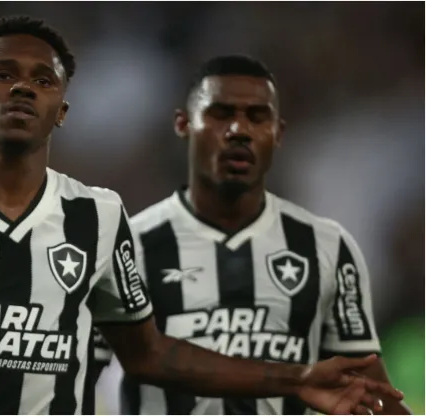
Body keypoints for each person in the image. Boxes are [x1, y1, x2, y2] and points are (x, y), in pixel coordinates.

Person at [0, 17, 402, 415]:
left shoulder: (97, 217)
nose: (22, 87)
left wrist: (294, 380)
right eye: (4, 75)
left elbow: (150, 355)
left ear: (62, 110)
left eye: (42, 79)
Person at [90, 55, 411, 415]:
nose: (238, 131)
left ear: (278, 133)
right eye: (220, 114)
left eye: (257, 117)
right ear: (184, 125)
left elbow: (371, 393)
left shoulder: (327, 249)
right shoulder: (129, 248)